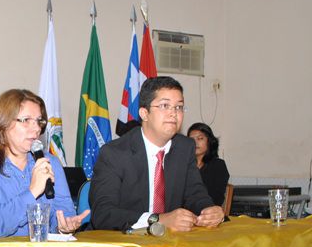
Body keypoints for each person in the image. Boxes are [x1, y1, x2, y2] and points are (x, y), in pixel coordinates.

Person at [89, 77, 224, 232]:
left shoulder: (185, 147)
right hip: (123, 242)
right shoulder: (114, 153)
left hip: (169, 243)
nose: (174, 113)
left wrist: (210, 211)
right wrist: (157, 219)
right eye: (164, 106)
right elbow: (103, 214)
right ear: (144, 113)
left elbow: (195, 194)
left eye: (179, 107)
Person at [0, 89, 89, 238]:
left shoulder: (50, 162)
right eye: (26, 120)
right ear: (3, 123)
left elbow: (63, 212)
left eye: (39, 121)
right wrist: (32, 191)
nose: (36, 129)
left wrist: (64, 227)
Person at [187, 122, 230, 207]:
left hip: (207, 213)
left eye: (200, 138)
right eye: (191, 139)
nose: (195, 143)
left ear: (209, 142)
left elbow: (216, 199)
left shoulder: (218, 165)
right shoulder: (182, 165)